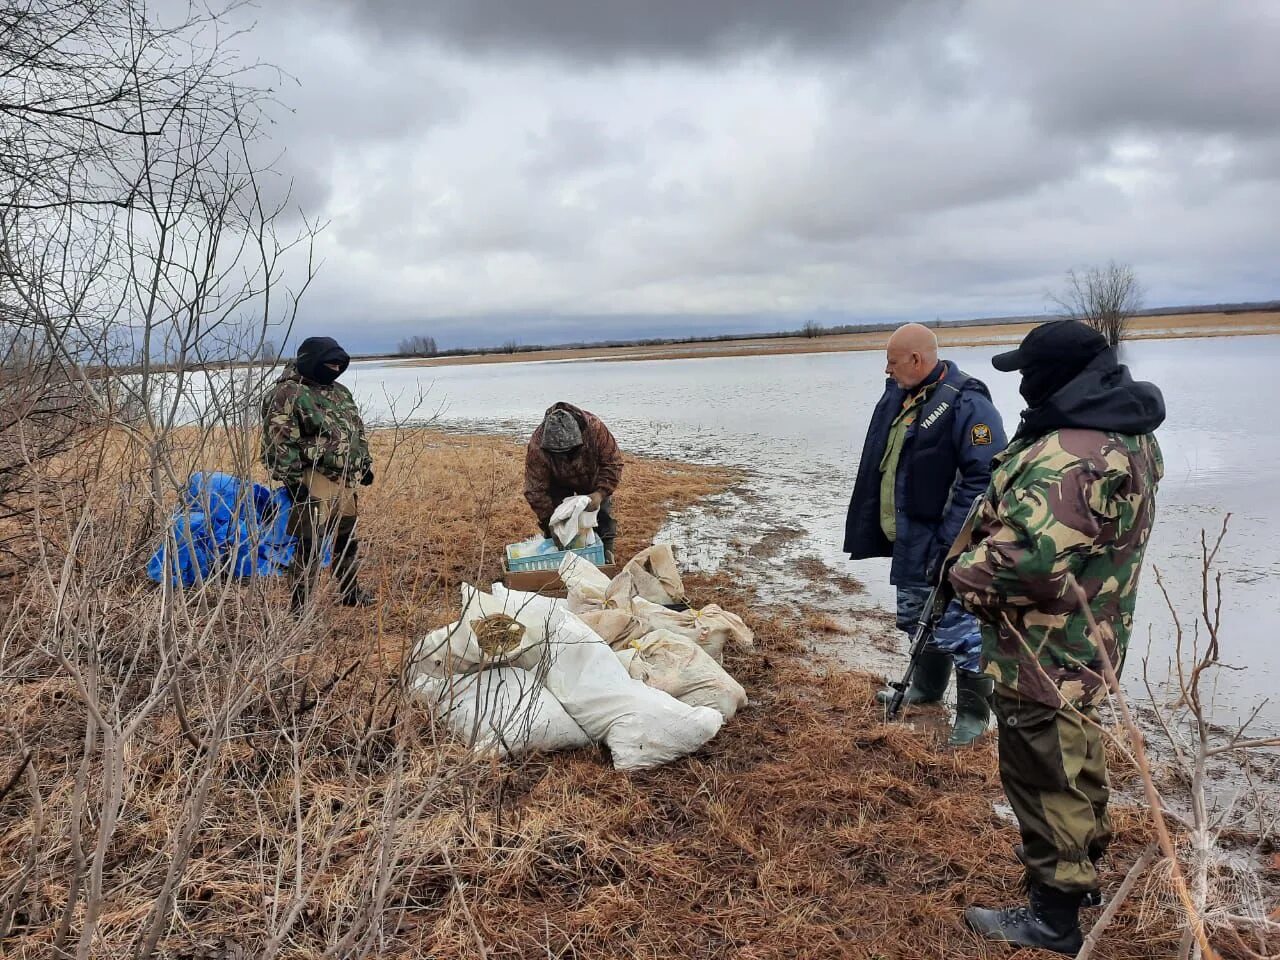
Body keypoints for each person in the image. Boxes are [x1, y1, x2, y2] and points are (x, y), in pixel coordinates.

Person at [948, 320, 1165, 954]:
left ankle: (1053, 918)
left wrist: (961, 573)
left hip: (1044, 650)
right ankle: (1083, 871)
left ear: (1061, 376)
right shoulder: (1130, 435)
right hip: (1092, 636)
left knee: (1045, 775)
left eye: (1029, 373)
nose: (1022, 387)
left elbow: (1030, 566)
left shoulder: (1070, 454)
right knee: (1077, 757)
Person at [844, 323, 1007, 745]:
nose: (887, 369)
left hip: (947, 543)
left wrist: (951, 546)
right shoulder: (901, 395)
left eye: (893, 362)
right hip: (911, 538)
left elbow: (983, 480)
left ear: (917, 359)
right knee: (919, 618)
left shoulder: (969, 404)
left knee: (961, 629)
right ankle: (928, 690)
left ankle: (973, 715)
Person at [261, 336, 375, 611]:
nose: (335, 369)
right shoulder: (286, 393)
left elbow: (355, 429)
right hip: (312, 477)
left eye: (339, 364)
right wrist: (291, 481)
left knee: (346, 537)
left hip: (345, 477)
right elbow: (278, 439)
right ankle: (300, 606)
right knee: (309, 543)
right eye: (330, 364)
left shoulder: (340, 392)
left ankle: (350, 592)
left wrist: (365, 463)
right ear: (310, 362)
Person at [524, 402, 623, 558]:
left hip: (592, 477)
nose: (566, 455)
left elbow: (613, 462)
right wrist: (550, 522)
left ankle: (605, 559)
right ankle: (559, 565)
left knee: (602, 519)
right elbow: (535, 490)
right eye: (559, 453)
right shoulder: (538, 446)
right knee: (559, 524)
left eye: (570, 451)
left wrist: (600, 493)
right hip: (558, 481)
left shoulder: (594, 429)